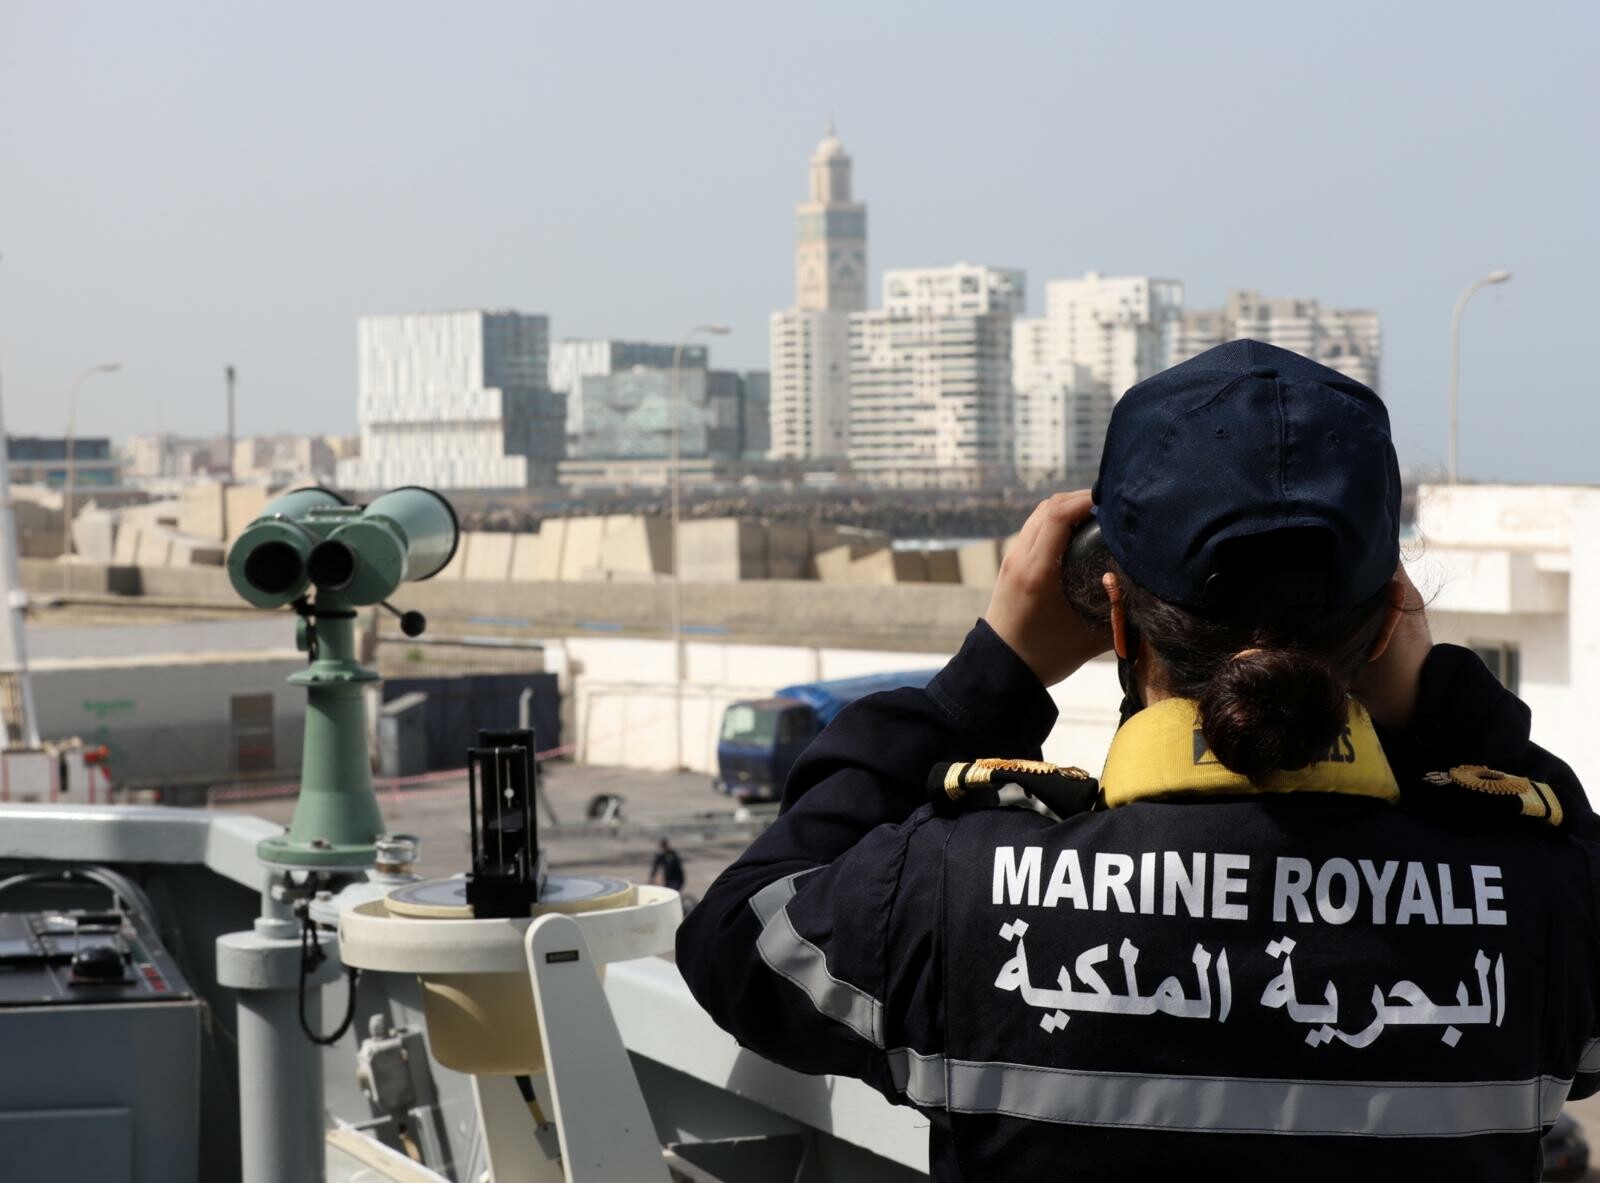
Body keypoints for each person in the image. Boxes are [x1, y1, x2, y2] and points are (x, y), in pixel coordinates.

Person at [676, 341, 1600, 1181]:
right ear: (1391, 617)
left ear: (1111, 614)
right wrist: (1455, 720)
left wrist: (987, 679)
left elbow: (737, 940)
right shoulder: (1538, 908)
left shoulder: (951, 897)